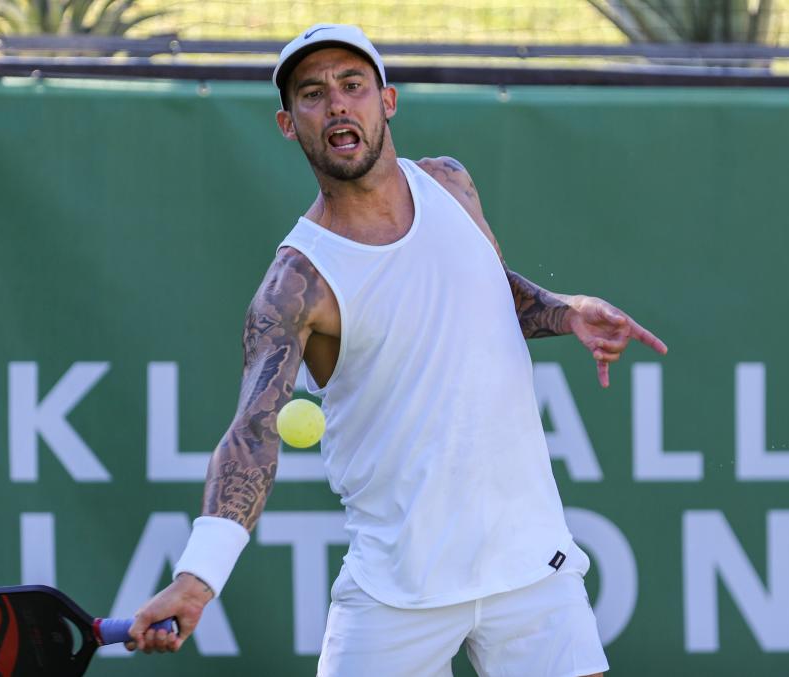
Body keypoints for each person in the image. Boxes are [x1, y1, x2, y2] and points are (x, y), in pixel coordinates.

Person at [128, 24, 667, 677]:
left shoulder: (451, 184)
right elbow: (252, 431)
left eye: (352, 85)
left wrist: (565, 311)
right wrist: (197, 576)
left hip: (532, 568)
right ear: (287, 123)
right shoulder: (297, 284)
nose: (336, 105)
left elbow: (487, 291)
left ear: (387, 100)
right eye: (312, 93)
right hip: (395, 591)